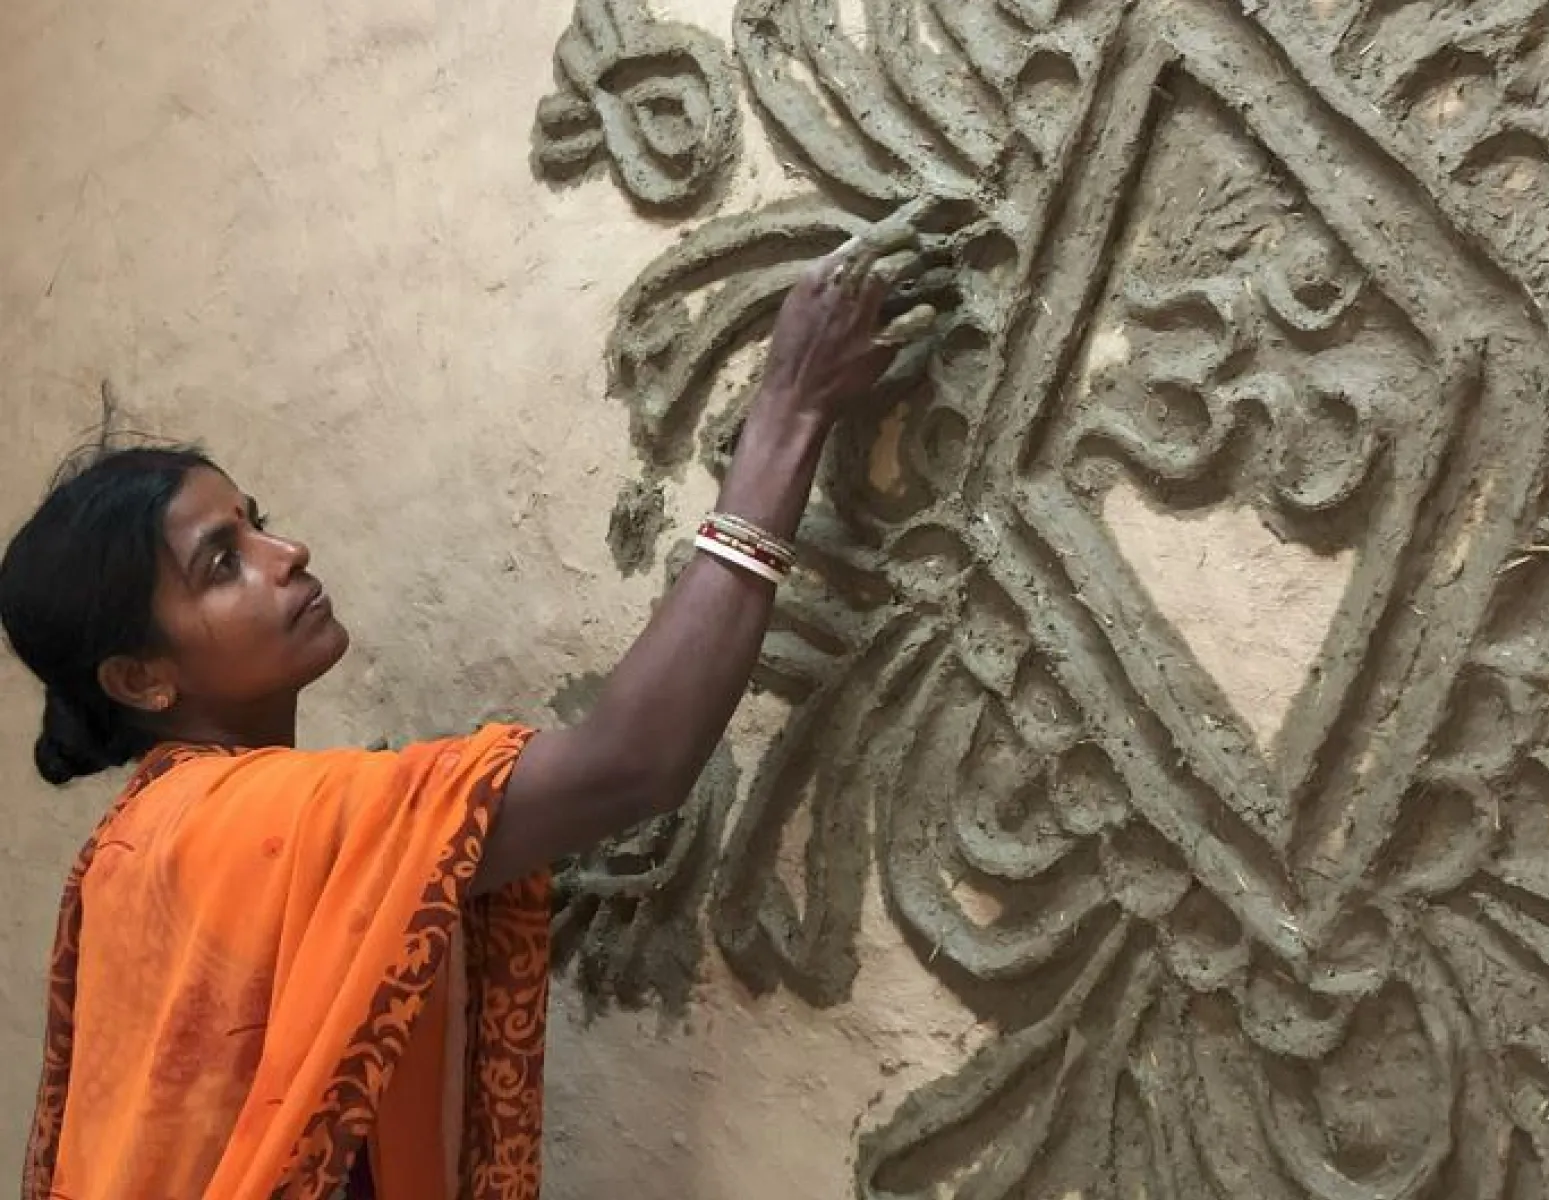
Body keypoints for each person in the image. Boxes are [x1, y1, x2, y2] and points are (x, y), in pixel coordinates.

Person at [1, 238, 905, 1200]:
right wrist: (790, 413)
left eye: (258, 521)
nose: (288, 552)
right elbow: (632, 761)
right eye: (223, 563)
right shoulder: (239, 827)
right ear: (142, 679)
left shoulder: (137, 845)